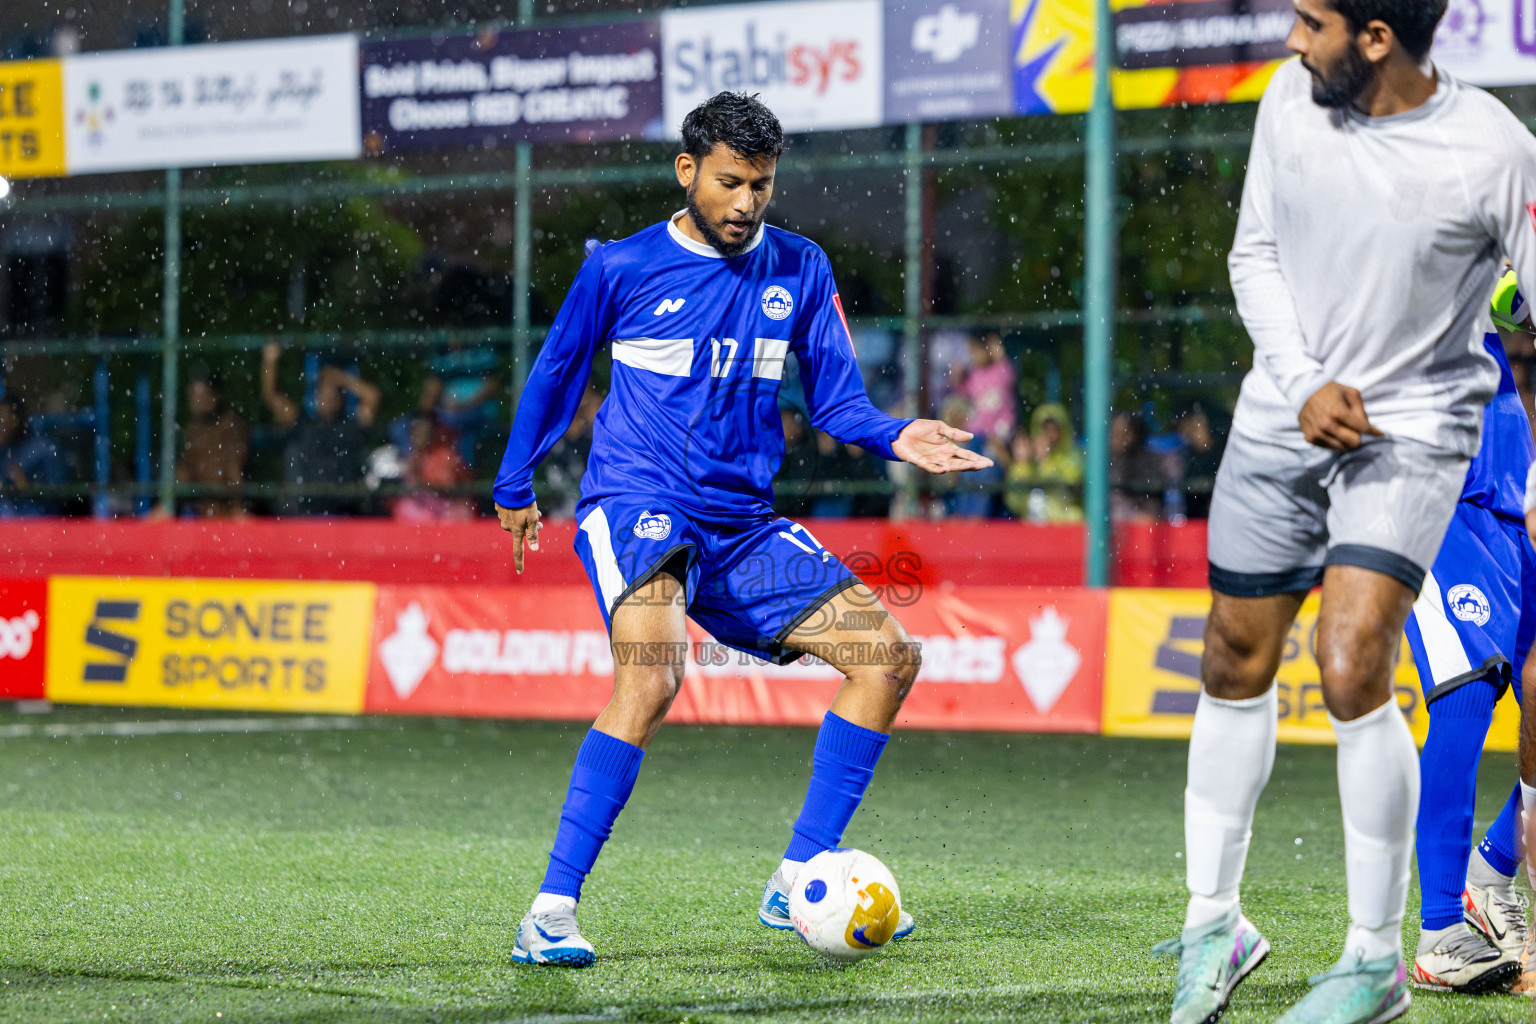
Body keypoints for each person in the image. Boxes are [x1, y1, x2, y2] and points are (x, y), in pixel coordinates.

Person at [492, 91, 991, 968]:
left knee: (888, 659)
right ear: (687, 172)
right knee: (651, 677)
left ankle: (797, 876)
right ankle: (551, 911)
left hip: (743, 526)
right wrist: (514, 480)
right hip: (638, 500)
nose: (747, 202)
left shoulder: (800, 267)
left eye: (761, 184)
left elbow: (838, 401)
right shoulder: (621, 267)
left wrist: (897, 433)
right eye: (729, 182)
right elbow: (559, 368)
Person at [1157, 1, 1536, 1020]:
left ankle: (1376, 958)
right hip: (1284, 410)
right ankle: (1214, 924)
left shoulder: (1498, 151)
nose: (1291, 39)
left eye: (1313, 20)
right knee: (1234, 659)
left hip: (1415, 430)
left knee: (1353, 655)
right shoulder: (1290, 98)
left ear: (1377, 37)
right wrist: (1302, 379)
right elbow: (1254, 255)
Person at [1399, 271, 1533, 995]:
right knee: (1463, 697)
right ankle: (1442, 930)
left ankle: (1495, 870)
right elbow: (1511, 298)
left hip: (1513, 510)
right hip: (1442, 504)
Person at [261, 342, 381, 517]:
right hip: (303, 513)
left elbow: (373, 396)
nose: (328, 398)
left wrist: (341, 378)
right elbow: (272, 397)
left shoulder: (352, 426)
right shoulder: (302, 422)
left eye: (334, 393)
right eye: (323, 392)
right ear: (315, 396)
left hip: (344, 513)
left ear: (342, 398)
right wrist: (270, 360)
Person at [170, 372, 250, 518]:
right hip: (207, 512)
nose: (196, 401)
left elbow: (234, 468)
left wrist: (237, 507)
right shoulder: (194, 430)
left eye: (200, 395)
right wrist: (167, 504)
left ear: (214, 396)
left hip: (227, 511)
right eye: (193, 395)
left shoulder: (231, 425)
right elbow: (185, 469)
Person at [1003, 403, 1083, 522]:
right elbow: (1014, 502)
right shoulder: (1027, 462)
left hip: (1062, 524)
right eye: (1046, 430)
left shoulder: (1073, 456)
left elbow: (1069, 494)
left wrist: (1046, 462)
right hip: (1031, 525)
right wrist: (1023, 465)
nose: (1050, 436)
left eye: (1054, 430)